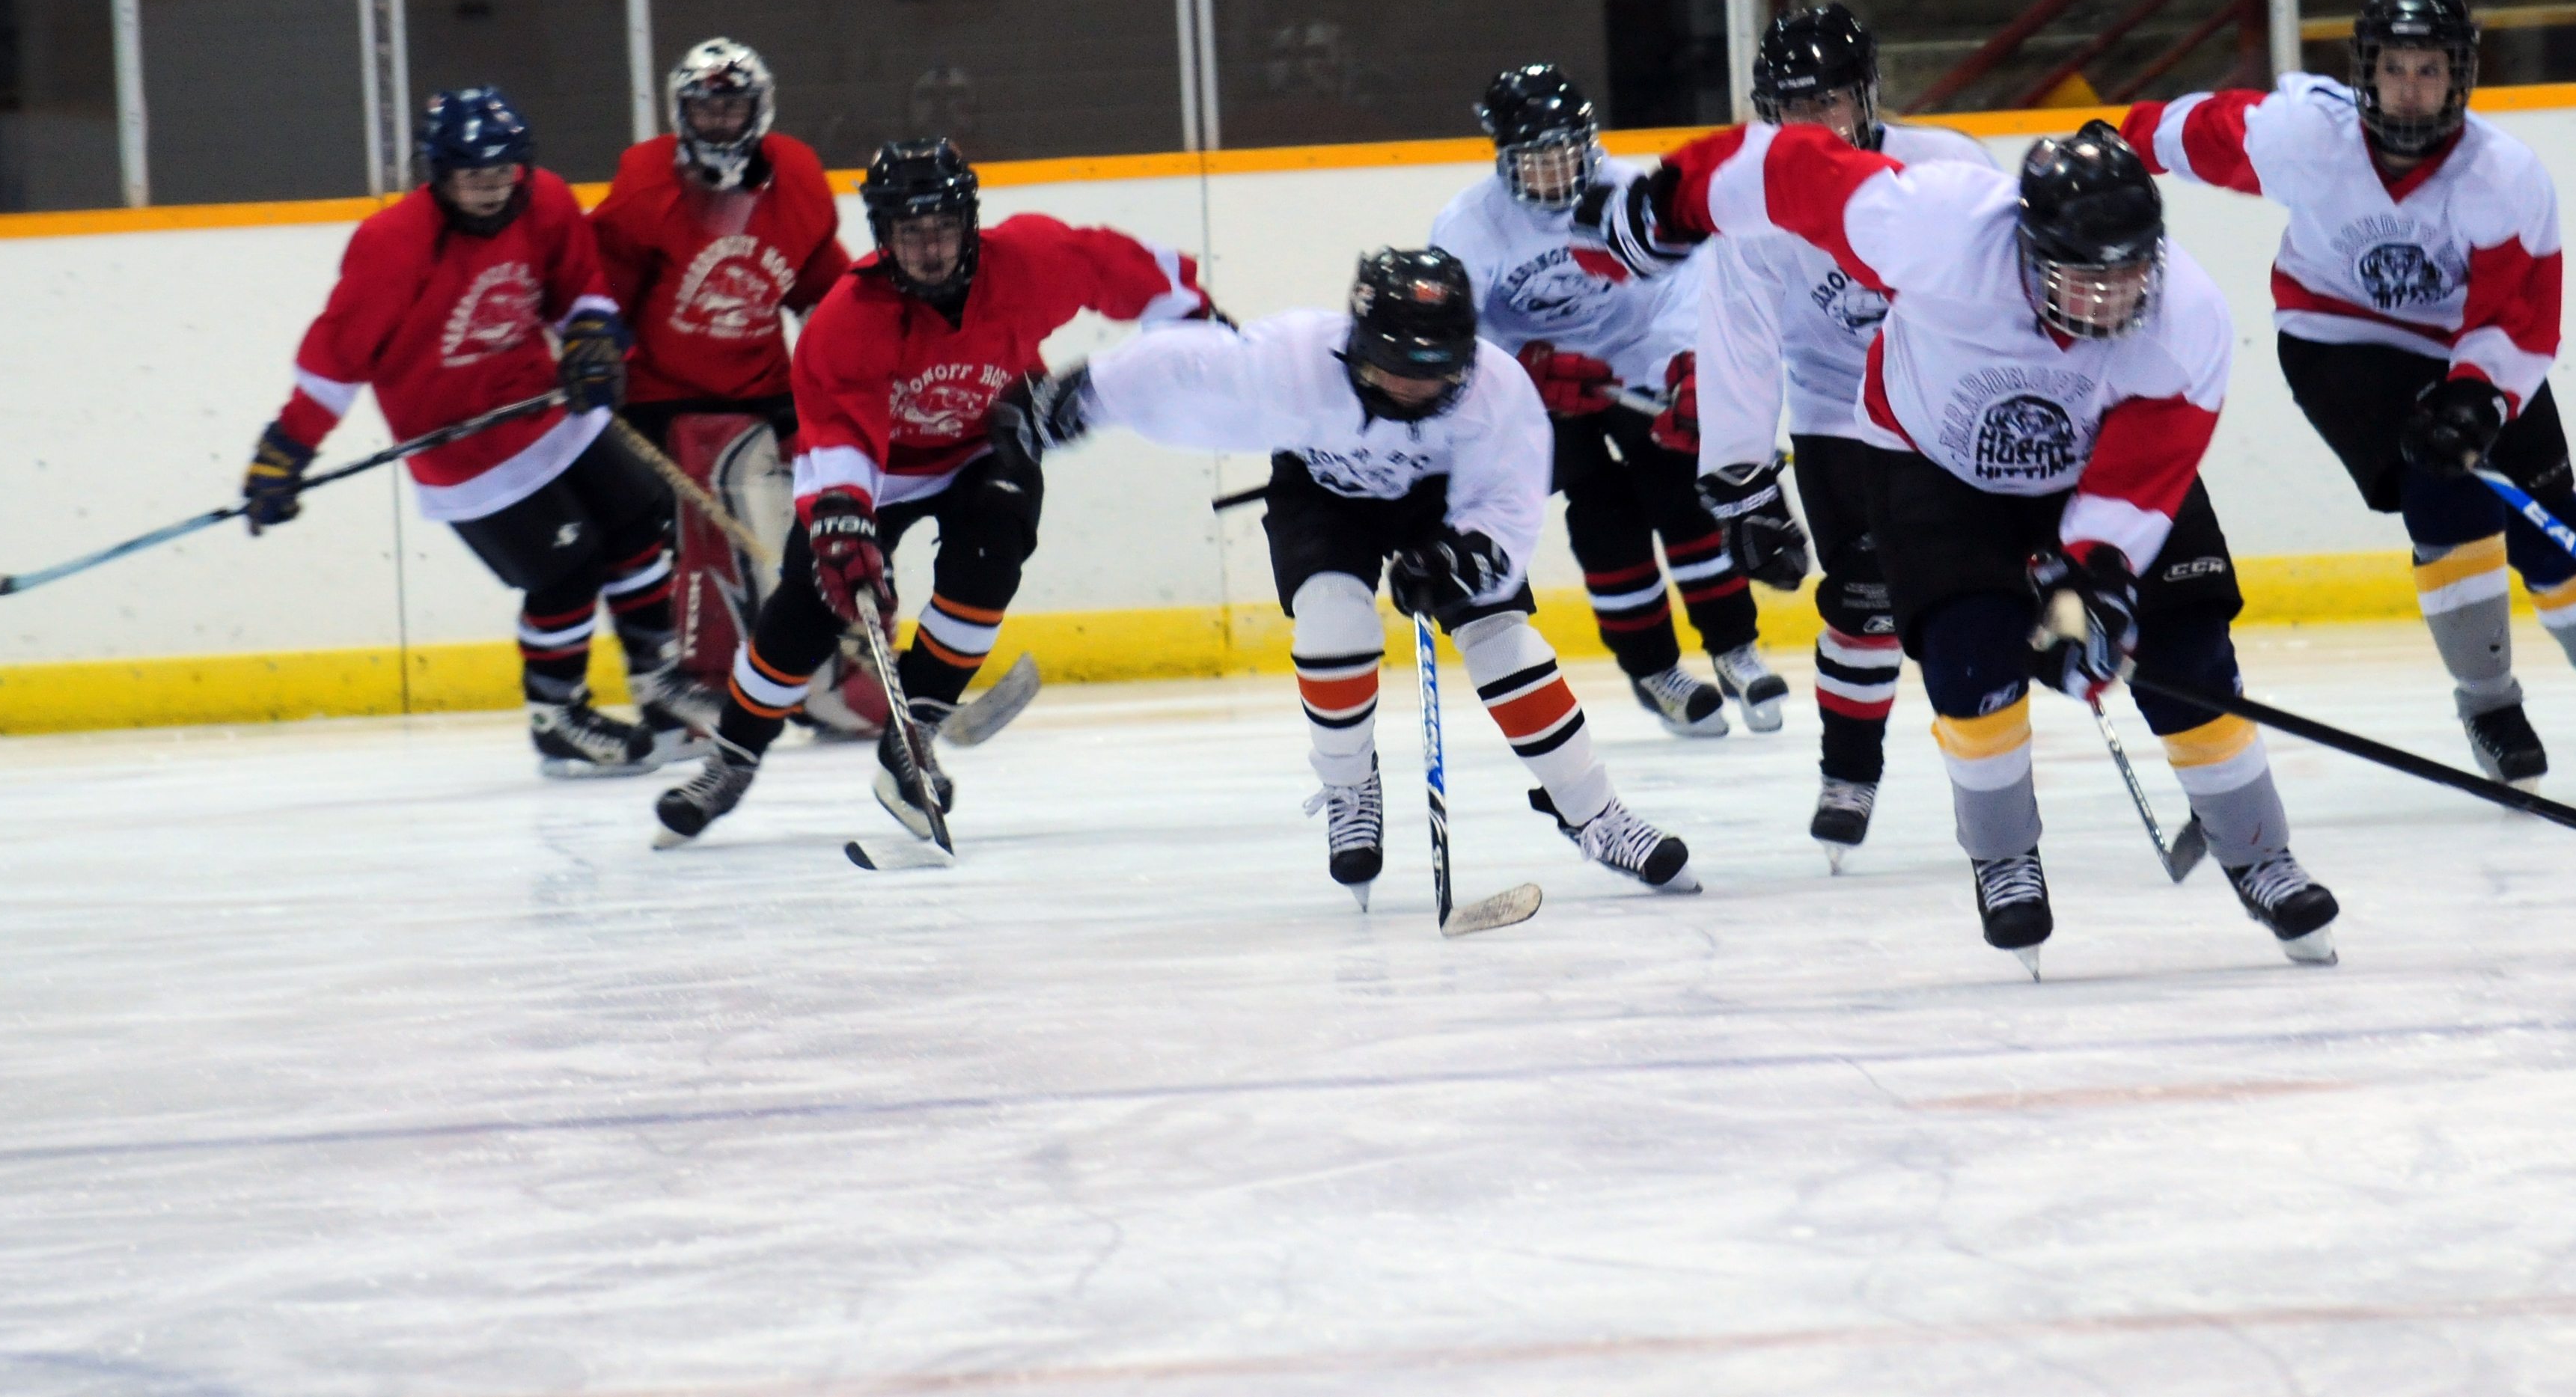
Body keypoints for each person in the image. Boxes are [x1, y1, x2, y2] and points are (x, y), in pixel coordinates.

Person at [1579, 117, 2342, 974]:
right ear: (2028, 246)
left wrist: (2096, 575)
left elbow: (2142, 470)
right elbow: (1791, 165)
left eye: (2129, 271)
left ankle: (2260, 853)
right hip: (1932, 461)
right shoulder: (1938, 228)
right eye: (2083, 276)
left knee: (2191, 658)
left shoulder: (2187, 317)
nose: (2111, 298)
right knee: (1971, 661)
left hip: (2089, 469)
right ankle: (2003, 853)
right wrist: (1671, 202)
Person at [2120, 0, 2576, 786]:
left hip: (2467, 346)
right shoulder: (2307, 136)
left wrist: (2479, 392)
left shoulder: (2503, 177)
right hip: (2340, 340)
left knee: (2552, 520)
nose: (2411, 85)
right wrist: (2119, 144)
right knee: (2448, 499)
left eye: (2429, 69)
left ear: (2460, 77)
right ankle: (2490, 705)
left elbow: (2520, 315)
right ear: (2366, 73)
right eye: (2395, 66)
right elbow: (2195, 133)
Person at [992, 248, 1698, 900]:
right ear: (1358, 343)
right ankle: (1349, 786)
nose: (1417, 386)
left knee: (1503, 641)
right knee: (1333, 624)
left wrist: (1463, 557)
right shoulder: (1295, 355)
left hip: (1443, 505)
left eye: (1437, 368)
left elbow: (1506, 511)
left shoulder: (1498, 389)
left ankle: (1596, 815)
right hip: (1322, 494)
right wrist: (1080, 397)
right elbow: (1183, 363)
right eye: (1398, 365)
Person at [650, 138, 1215, 847]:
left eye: (943, 227)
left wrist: (1197, 319)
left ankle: (909, 738)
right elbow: (836, 437)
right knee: (804, 612)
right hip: (882, 469)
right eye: (909, 233)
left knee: (991, 557)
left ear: (969, 222)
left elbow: (1129, 270)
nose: (929, 249)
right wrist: (843, 525)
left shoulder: (1032, 259)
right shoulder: (847, 319)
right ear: (882, 236)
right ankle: (731, 760)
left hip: (988, 446)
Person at [243, 88, 699, 777]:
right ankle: (557, 718)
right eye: (472, 177)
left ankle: (658, 684)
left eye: (500, 173)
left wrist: (592, 339)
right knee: (565, 572)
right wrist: (287, 449)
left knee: (640, 523)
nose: (491, 191)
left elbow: (582, 289)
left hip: (548, 412)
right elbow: (335, 363)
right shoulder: (390, 245)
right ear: (439, 175)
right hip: (464, 450)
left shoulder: (544, 198)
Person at [1694, 4, 2005, 863]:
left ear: (1866, 96)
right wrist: (1742, 480)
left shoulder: (1946, 167)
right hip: (1842, 414)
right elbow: (1741, 337)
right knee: (1865, 600)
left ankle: (1997, 776)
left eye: (1829, 101)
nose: (1814, 123)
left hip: (1951, 406)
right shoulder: (1751, 204)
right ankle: (1849, 774)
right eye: (1793, 106)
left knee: (1983, 597)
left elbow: (2012, 291)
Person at [1432, 64, 1786, 738]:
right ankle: (1655, 669)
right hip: (1540, 390)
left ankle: (1735, 645)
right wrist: (1517, 368)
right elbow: (1456, 331)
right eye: (1537, 161)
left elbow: (1687, 273)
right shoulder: (1469, 225)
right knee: (1605, 514)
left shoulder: (1628, 188)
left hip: (1638, 353)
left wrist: (1687, 360)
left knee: (1684, 492)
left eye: (1567, 153)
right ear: (1503, 159)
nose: (1557, 172)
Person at [591, 39, 863, 729]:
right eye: (705, 110)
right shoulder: (646, 184)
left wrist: (866, 336)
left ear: (759, 109)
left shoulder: (797, 175)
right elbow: (599, 292)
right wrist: (587, 349)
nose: (719, 122)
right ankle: (698, 679)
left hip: (766, 385)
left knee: (838, 505)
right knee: (696, 539)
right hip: (663, 394)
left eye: (732, 107)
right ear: (681, 113)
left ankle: (835, 671)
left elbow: (817, 279)